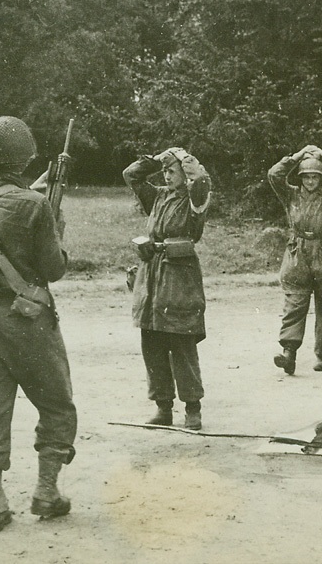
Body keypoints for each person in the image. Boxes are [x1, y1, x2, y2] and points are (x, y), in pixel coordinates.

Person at [0, 117, 77, 531]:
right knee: (57, 404)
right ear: (24, 157)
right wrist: (55, 227)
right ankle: (45, 492)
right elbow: (54, 268)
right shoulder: (34, 205)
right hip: (26, 321)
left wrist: (36, 196)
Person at [123, 148, 212, 430]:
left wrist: (184, 159)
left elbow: (202, 181)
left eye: (172, 170)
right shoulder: (159, 196)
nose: (166, 174)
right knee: (152, 340)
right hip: (152, 273)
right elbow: (131, 175)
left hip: (180, 274)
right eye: (165, 171)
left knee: (181, 340)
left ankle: (192, 409)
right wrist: (156, 158)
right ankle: (163, 407)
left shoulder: (194, 198)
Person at [267, 145, 322, 374]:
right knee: (295, 303)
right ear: (300, 177)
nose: (311, 181)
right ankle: (289, 354)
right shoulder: (291, 194)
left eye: (315, 176)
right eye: (306, 176)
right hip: (298, 253)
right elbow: (274, 175)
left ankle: (321, 354)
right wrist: (296, 156)